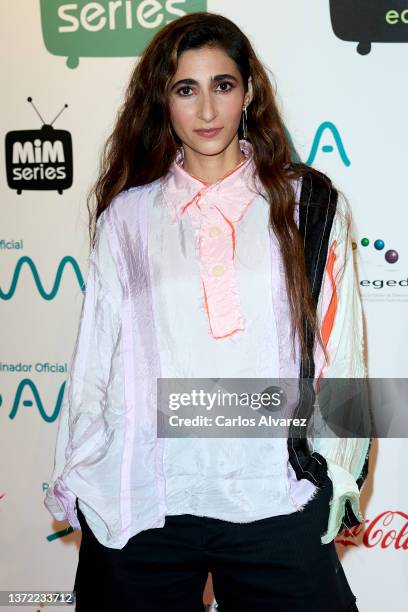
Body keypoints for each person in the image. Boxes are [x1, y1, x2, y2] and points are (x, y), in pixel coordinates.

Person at [44, 11, 371, 612]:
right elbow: (93, 359)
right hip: (145, 498)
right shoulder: (129, 218)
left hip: (274, 494)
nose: (207, 110)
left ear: (248, 92)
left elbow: (341, 344)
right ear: (163, 103)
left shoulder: (309, 204)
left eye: (222, 85)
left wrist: (341, 471)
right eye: (185, 89)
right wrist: (80, 468)